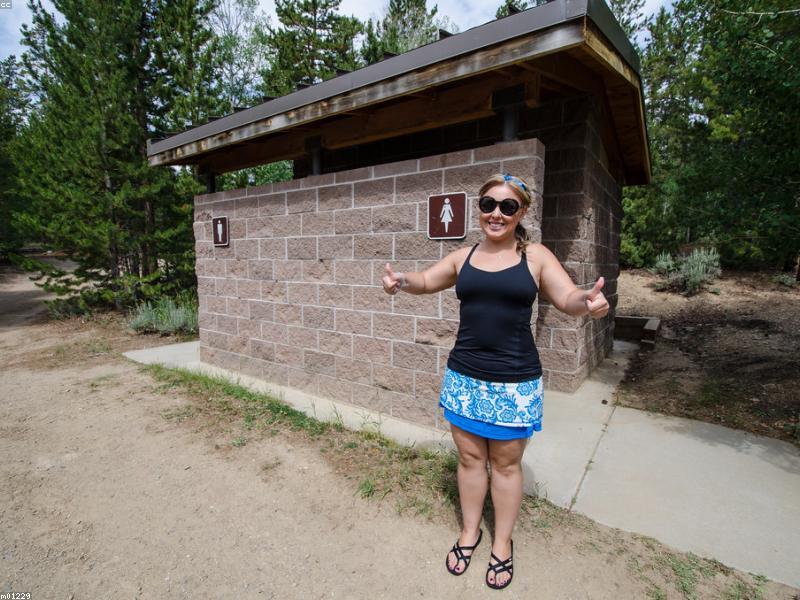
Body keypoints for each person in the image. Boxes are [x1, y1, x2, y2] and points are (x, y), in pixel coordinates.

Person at [381, 173, 609, 590]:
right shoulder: (463, 256)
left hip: (514, 381)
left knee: (505, 465)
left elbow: (567, 297)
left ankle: (501, 543)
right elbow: (429, 280)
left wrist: (588, 302)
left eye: (507, 207)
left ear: (521, 212)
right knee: (469, 460)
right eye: (488, 205)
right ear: (479, 209)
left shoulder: (535, 256)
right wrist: (401, 281)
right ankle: (470, 532)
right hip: (464, 375)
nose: (496, 214)